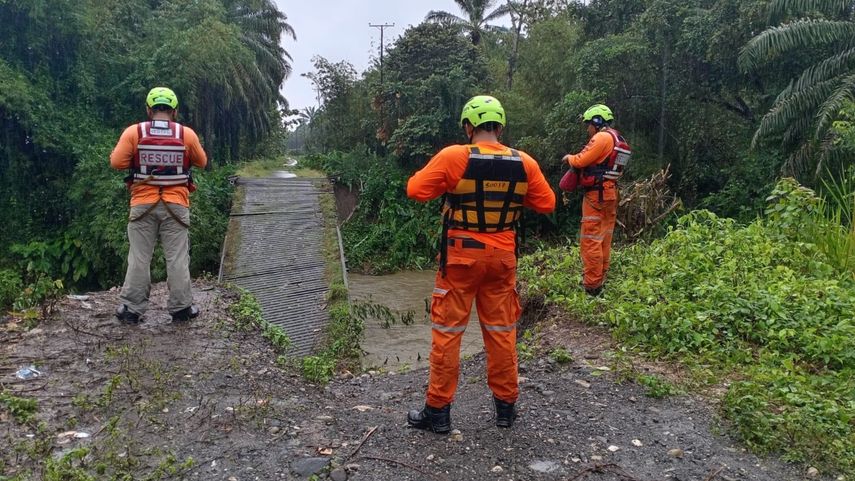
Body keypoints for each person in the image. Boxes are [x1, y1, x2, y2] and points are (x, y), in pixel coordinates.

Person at [405, 95, 556, 432]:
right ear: (499, 127)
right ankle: (505, 409)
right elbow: (546, 203)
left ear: (469, 127)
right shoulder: (525, 162)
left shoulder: (454, 156)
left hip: (461, 257)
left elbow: (415, 189)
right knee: (502, 332)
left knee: (448, 334)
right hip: (503, 259)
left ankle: (438, 412)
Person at [110, 87, 208, 323]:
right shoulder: (186, 134)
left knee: (139, 257)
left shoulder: (135, 132)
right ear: (174, 111)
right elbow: (202, 162)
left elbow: (116, 162)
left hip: (143, 204)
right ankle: (181, 309)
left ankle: (132, 311)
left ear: (148, 109)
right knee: (177, 258)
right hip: (176, 205)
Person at [561, 104, 628, 297]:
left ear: (597, 121)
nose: (587, 129)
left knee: (590, 240)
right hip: (610, 194)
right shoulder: (618, 138)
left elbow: (581, 160)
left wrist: (569, 158)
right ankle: (601, 279)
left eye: (588, 124)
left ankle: (592, 286)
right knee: (604, 238)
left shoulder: (601, 137)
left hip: (596, 195)